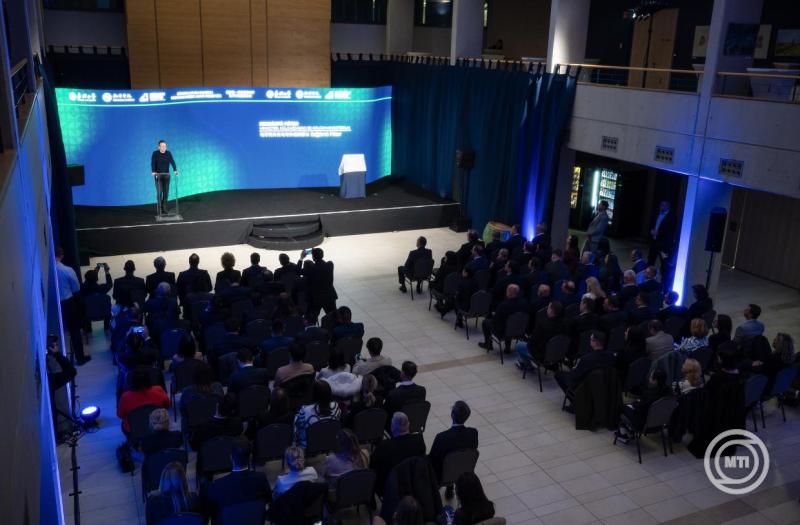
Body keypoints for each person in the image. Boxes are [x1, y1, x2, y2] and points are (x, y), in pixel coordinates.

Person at [205, 438, 271, 517]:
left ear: (231, 458)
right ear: (250, 457)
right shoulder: (261, 478)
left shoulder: (218, 485)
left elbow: (212, 512)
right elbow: (268, 500)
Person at [428, 401, 478, 498]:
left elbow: (433, 459)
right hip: (464, 470)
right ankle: (450, 487)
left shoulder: (442, 437)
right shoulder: (473, 433)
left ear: (452, 415)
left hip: (443, 474)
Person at [371, 412, 427, 496]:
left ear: (392, 427)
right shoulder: (419, 441)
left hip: (391, 488)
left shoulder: (383, 447)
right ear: (408, 425)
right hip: (414, 484)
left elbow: (373, 468)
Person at [615, 368, 672, 443]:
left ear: (655, 380)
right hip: (660, 425)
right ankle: (628, 431)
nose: (649, 377)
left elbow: (638, 409)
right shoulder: (669, 392)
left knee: (622, 408)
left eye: (651, 376)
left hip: (644, 424)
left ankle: (624, 434)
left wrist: (635, 403)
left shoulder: (649, 394)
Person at [555, 331, 615, 401]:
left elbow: (575, 376)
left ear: (594, 342)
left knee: (558, 375)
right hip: (603, 384)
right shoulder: (611, 356)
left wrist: (574, 368)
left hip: (586, 385)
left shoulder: (586, 359)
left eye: (591, 339)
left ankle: (574, 401)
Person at [55, 247, 90, 365]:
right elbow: (76, 288)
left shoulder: (47, 270)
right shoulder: (67, 270)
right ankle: (80, 358)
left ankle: (58, 360)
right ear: (61, 255)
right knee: (74, 331)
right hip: (67, 302)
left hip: (54, 304)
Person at [117, 367, 170, 435]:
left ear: (130, 381)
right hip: (157, 428)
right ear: (149, 379)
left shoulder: (125, 397)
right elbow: (167, 405)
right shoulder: (159, 390)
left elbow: (120, 415)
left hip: (134, 430)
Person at [479, 284, 529, 352]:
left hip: (504, 332)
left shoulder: (504, 305)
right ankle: (507, 347)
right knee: (510, 323)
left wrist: (493, 315)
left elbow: (496, 321)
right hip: (520, 331)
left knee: (485, 322)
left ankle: (488, 344)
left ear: (509, 292)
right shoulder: (524, 303)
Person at [293, 380, 342, 448]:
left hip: (309, 448)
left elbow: (297, 432)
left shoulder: (304, 410)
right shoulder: (336, 406)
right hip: (331, 445)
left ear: (314, 394)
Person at [517, 300, 565, 369]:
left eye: (548, 308)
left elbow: (532, 343)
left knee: (519, 345)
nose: (547, 309)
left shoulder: (542, 325)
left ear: (551, 311)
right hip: (558, 353)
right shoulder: (565, 324)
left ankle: (528, 366)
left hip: (542, 354)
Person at [300, 247, 338, 322]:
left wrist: (301, 258)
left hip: (316, 298)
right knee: (334, 318)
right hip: (329, 296)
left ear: (313, 257)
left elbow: (298, 271)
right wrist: (315, 253)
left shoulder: (311, 269)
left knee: (312, 319)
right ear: (322, 255)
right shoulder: (330, 265)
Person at [80, 263, 113, 334]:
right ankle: (106, 326)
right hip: (104, 314)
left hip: (88, 315)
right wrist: (107, 272)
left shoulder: (83, 289)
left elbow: (87, 282)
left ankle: (88, 328)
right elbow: (110, 284)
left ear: (86, 278)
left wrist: (95, 272)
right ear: (96, 279)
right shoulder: (102, 288)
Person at [151, 139, 178, 214]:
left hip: (166, 176)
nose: (163, 147)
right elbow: (153, 163)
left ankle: (164, 208)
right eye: (162, 146)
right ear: (159, 147)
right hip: (158, 176)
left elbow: (172, 161)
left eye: (165, 146)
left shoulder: (168, 153)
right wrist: (153, 171)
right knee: (160, 192)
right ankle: (159, 209)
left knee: (166, 193)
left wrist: (175, 170)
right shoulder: (155, 153)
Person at [648, 200, 676, 268]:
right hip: (654, 241)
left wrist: (658, 233)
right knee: (650, 260)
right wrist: (651, 230)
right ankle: (648, 273)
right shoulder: (657, 214)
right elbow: (653, 224)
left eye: (663, 205)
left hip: (664, 244)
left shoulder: (672, 217)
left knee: (664, 262)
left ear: (668, 206)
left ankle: (664, 274)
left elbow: (671, 229)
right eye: (660, 205)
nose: (661, 207)